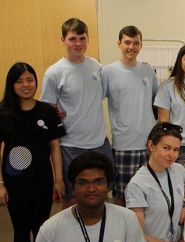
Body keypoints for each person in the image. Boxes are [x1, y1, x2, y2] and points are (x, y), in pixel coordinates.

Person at [0, 62, 65, 242]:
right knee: (21, 230)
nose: (25, 85)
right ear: (12, 85)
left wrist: (58, 178)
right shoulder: (1, 113)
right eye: (19, 81)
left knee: (41, 230)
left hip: (42, 181)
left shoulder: (47, 111)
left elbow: (54, 146)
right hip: (15, 183)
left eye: (29, 79)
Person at [40, 17, 113, 208]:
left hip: (99, 143)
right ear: (63, 40)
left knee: (100, 196)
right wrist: (53, 111)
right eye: (73, 38)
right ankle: (72, 237)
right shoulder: (54, 72)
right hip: (71, 146)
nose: (78, 43)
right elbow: (45, 110)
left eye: (82, 38)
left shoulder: (96, 66)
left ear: (88, 40)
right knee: (72, 199)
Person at [101, 25, 158, 206]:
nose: (131, 47)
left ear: (141, 45)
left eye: (136, 43)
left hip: (149, 144)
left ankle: (143, 233)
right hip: (123, 144)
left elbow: (157, 102)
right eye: (127, 42)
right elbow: (93, 101)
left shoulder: (148, 71)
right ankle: (121, 231)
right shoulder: (107, 72)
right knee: (122, 195)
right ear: (118, 44)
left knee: (148, 194)